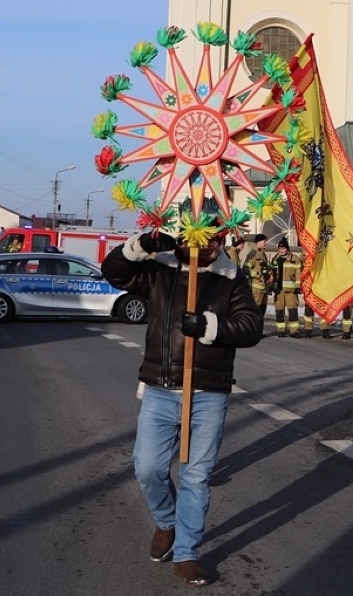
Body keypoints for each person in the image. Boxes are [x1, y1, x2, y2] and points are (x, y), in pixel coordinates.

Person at [101, 223, 263, 587]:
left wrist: (209, 326)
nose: (209, 246)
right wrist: (143, 244)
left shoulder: (231, 277)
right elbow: (114, 272)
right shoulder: (161, 270)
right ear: (186, 236)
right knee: (147, 468)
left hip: (208, 392)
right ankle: (167, 522)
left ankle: (187, 553)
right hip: (160, 388)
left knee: (196, 476)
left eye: (215, 240)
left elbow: (250, 326)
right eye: (201, 239)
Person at [271, 238, 301, 337]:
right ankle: (281, 330)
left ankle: (294, 331)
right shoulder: (275, 259)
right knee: (279, 311)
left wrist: (298, 286)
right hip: (279, 291)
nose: (281, 250)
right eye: (280, 248)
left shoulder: (295, 259)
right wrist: (271, 286)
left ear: (287, 249)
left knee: (293, 311)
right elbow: (272, 274)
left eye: (283, 248)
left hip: (291, 291)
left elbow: (298, 274)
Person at [241, 233, 271, 314]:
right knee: (255, 310)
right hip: (256, 289)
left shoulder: (264, 255)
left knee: (262, 310)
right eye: (264, 241)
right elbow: (246, 268)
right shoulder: (252, 254)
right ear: (258, 242)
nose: (265, 243)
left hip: (264, 288)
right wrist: (258, 275)